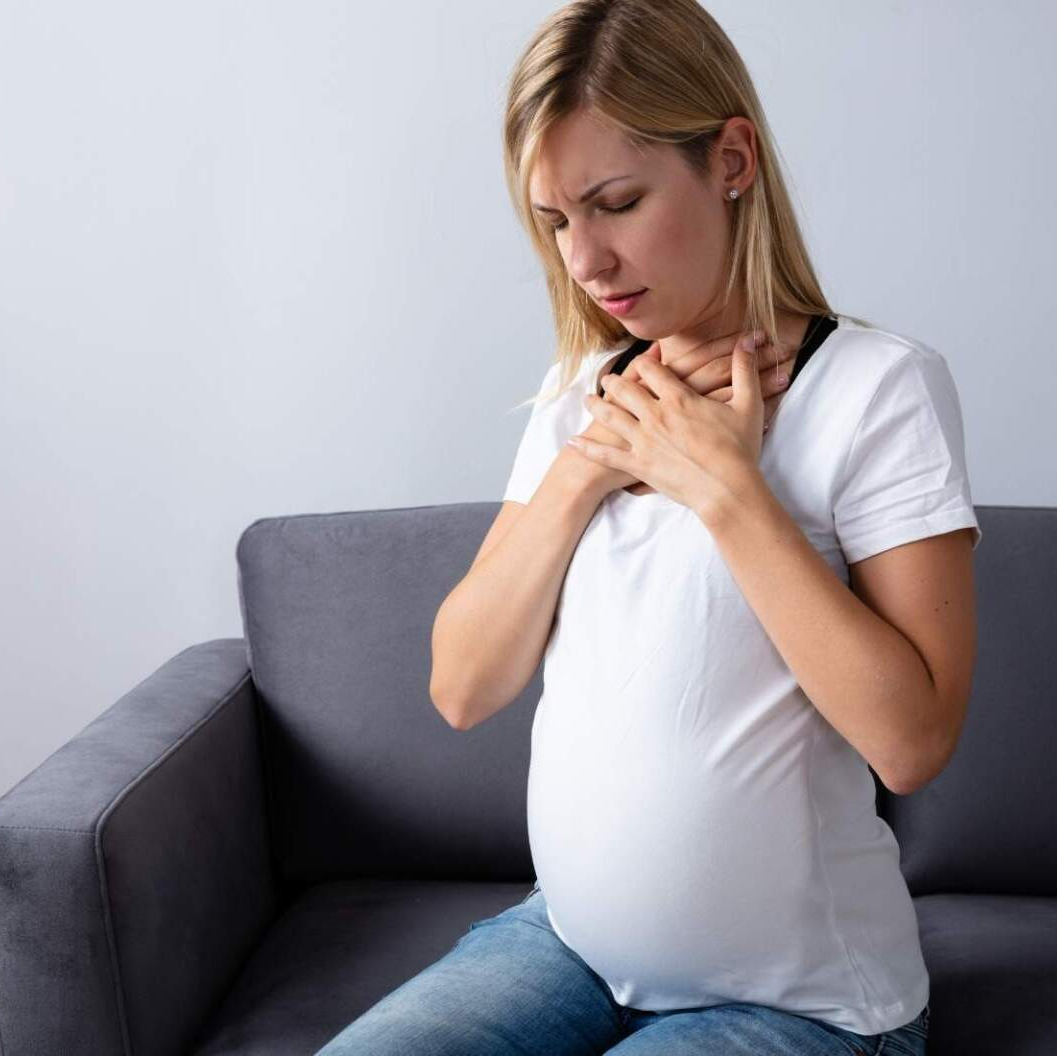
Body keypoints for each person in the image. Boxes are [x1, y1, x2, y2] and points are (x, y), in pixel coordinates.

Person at [315, 0, 978, 1052]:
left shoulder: (877, 388)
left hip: (806, 1003)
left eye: (615, 203)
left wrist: (724, 488)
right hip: (566, 946)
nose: (584, 260)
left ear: (731, 160)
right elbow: (462, 685)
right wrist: (593, 462)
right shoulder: (582, 396)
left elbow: (911, 744)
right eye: (554, 221)